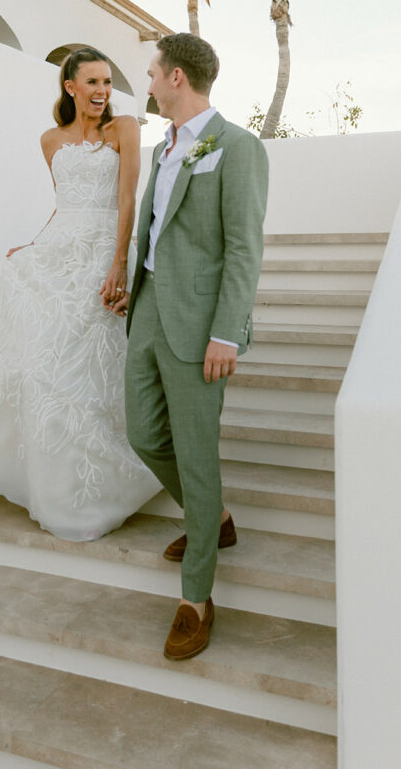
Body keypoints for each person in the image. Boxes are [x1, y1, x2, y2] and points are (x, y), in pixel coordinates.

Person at [0, 47, 160, 540]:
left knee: (84, 364)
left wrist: (119, 263)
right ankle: (53, 485)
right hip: (60, 248)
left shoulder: (125, 129)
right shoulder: (50, 140)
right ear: (70, 87)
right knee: (42, 365)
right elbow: (63, 206)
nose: (103, 91)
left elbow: (128, 199)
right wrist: (35, 245)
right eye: (93, 82)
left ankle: (106, 475)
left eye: (108, 82)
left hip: (105, 251)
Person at [115, 33, 269, 660]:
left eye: (151, 73)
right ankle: (214, 519)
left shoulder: (238, 147)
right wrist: (130, 285)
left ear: (176, 77)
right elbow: (157, 228)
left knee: (197, 455)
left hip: (202, 322)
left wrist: (226, 331)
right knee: (144, 435)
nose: (146, 82)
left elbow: (243, 249)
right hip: (148, 310)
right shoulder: (165, 147)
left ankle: (196, 596)